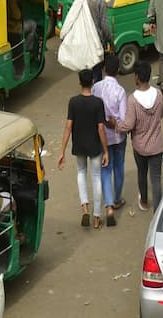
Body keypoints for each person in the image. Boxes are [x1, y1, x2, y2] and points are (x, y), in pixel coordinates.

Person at [58, 69, 109, 230]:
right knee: (96, 177)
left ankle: (85, 207)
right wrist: (106, 150)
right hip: (95, 146)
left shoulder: (73, 102)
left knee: (81, 173)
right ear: (93, 81)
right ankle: (96, 217)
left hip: (79, 144)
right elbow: (101, 128)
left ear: (80, 82)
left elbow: (68, 127)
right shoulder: (98, 103)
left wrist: (62, 151)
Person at [117, 61, 163, 211]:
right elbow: (161, 115)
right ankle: (157, 211)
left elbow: (128, 125)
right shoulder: (158, 94)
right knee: (156, 179)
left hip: (139, 146)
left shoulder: (132, 99)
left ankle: (144, 201)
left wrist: (115, 125)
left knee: (142, 173)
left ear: (137, 77)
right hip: (156, 145)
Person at [92, 54, 128, 227]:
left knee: (106, 169)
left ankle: (109, 207)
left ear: (105, 69)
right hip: (118, 136)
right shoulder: (120, 91)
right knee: (119, 167)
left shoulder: (96, 88)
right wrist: (113, 122)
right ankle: (117, 198)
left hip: (102, 137)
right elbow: (122, 120)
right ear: (118, 70)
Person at [85, 0, 112, 82]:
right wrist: (111, 42)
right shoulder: (100, 1)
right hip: (97, 43)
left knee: (86, 72)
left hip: (85, 41)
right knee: (97, 74)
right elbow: (104, 27)